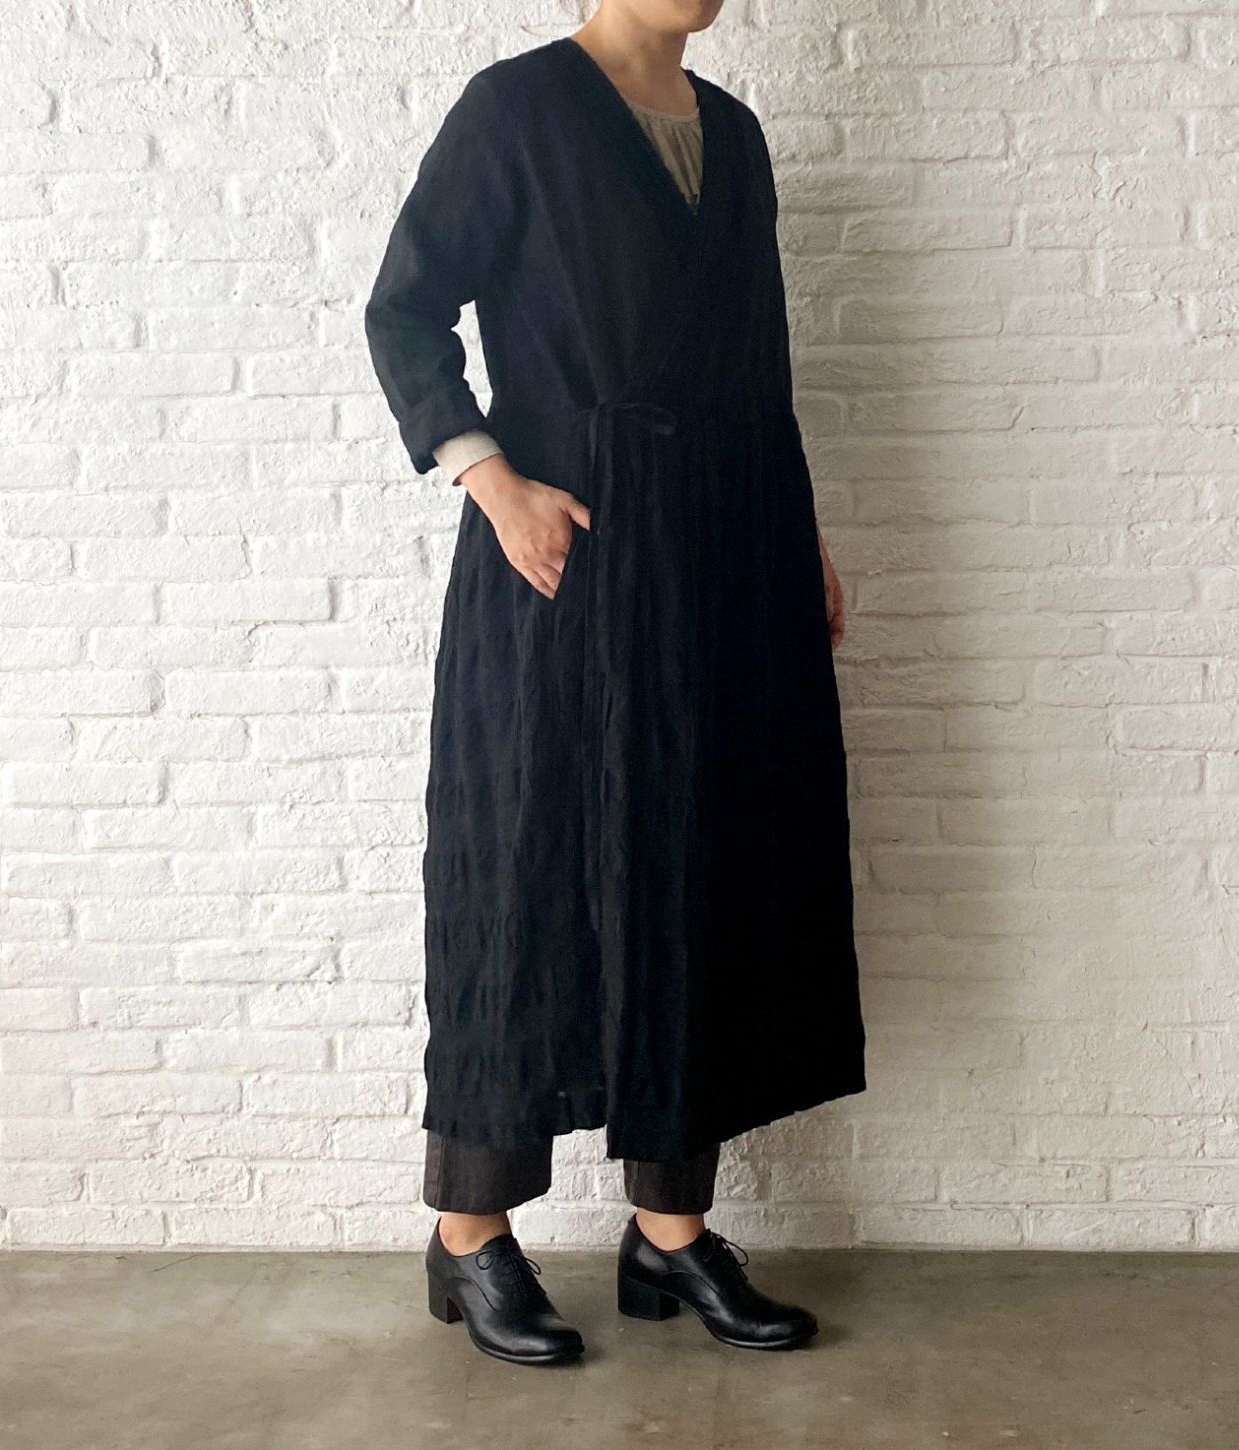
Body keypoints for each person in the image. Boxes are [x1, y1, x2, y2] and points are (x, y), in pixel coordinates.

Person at [364, 0, 866, 1367]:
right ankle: (469, 1233)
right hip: (564, 560)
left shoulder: (736, 137)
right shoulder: (517, 109)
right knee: (523, 869)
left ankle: (670, 1230)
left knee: (699, 868)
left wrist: (802, 534)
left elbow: (760, 365)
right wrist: (491, 481)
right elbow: (404, 309)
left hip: (724, 554)